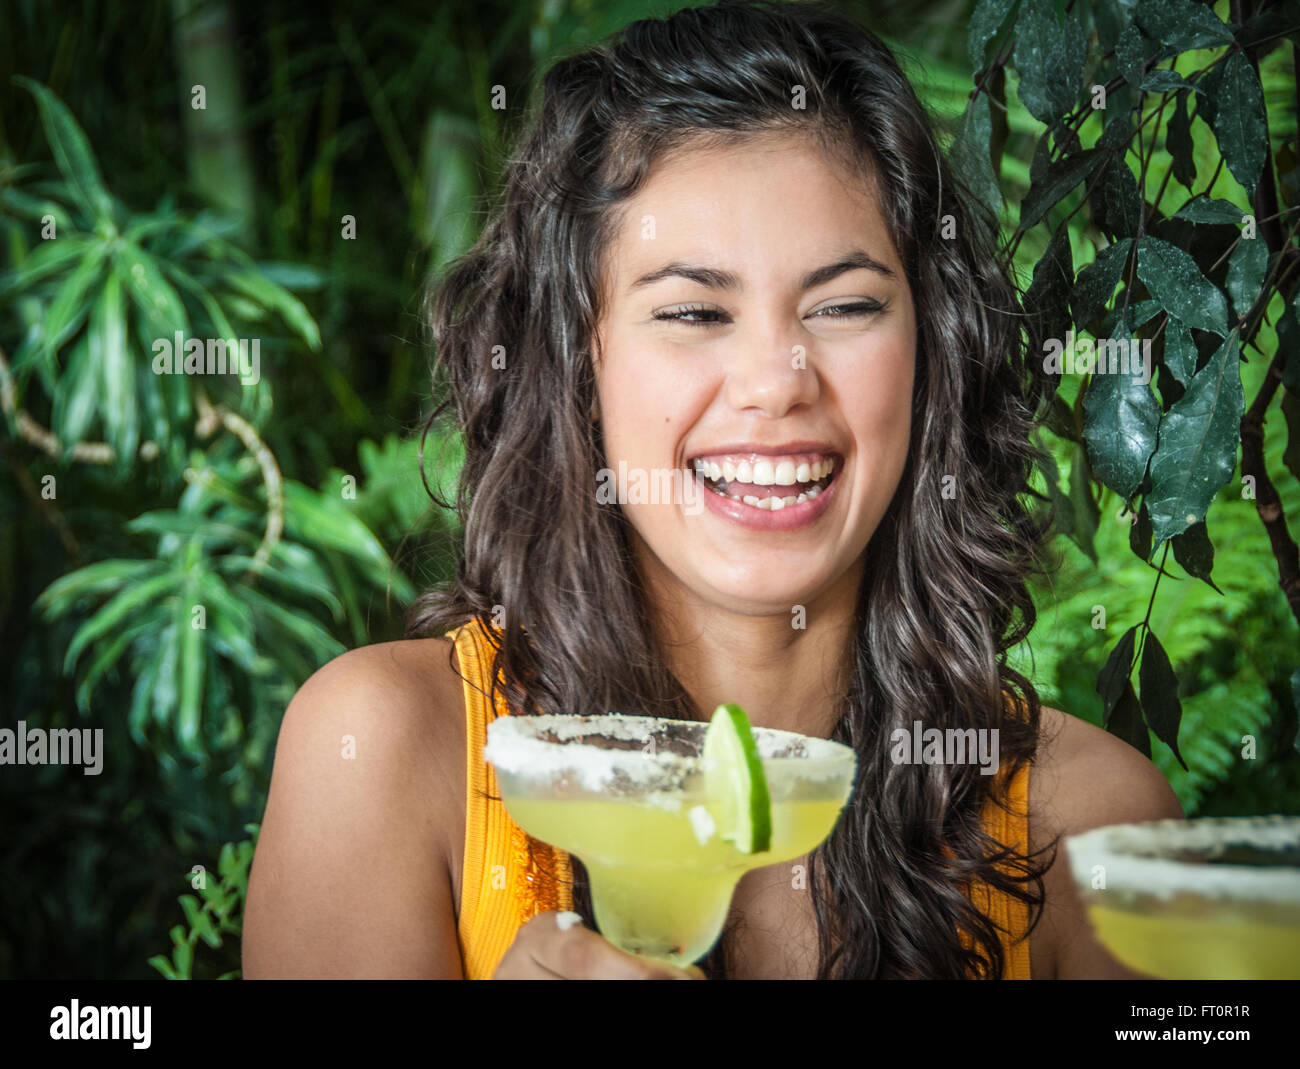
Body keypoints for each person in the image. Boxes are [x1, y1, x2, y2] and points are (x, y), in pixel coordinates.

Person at [241, 0, 1183, 980]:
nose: (776, 381)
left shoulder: (1095, 826)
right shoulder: (387, 751)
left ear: (931, 354)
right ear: (575, 360)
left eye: (845, 305)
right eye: (692, 309)